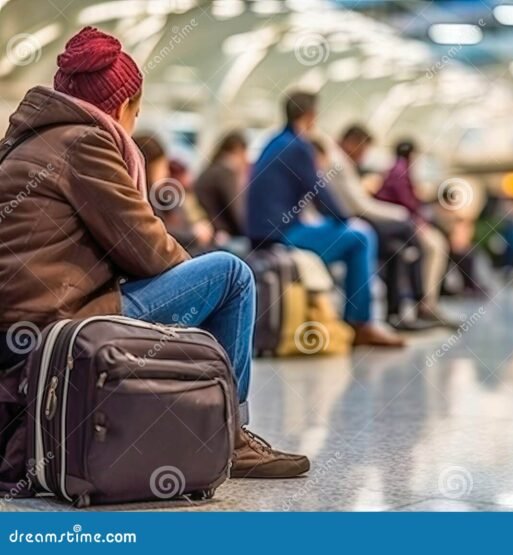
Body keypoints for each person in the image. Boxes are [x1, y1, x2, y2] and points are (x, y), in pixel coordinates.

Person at [0, 27, 308, 478]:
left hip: (20, 327)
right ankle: (229, 436)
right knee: (229, 275)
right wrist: (197, 290)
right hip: (62, 320)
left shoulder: (25, 144)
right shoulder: (87, 143)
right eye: (136, 113)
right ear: (123, 107)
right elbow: (148, 251)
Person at [245, 91, 403, 347]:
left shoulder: (272, 142)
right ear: (310, 115)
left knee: (348, 234)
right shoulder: (299, 146)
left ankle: (355, 319)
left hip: (262, 233)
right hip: (282, 235)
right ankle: (360, 323)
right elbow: (320, 191)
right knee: (361, 236)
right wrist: (343, 218)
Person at [324, 125, 444, 330]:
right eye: (363, 149)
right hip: (349, 221)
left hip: (355, 219)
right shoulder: (339, 163)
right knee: (406, 232)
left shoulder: (346, 163)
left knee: (396, 249)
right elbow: (360, 205)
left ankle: (397, 313)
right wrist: (401, 215)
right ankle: (419, 302)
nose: (364, 155)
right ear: (352, 142)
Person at [375, 140, 451, 320]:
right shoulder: (399, 171)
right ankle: (426, 303)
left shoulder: (400, 170)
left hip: (404, 223)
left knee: (437, 243)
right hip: (400, 225)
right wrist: (420, 223)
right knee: (434, 246)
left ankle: (427, 302)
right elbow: (407, 205)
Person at [134, 134, 214, 256]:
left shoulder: (161, 192)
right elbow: (161, 233)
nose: (166, 172)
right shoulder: (144, 197)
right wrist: (194, 234)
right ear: (148, 167)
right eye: (161, 166)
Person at [194, 131, 249, 238]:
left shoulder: (212, 169)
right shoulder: (224, 173)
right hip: (220, 234)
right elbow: (237, 213)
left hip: (211, 231)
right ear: (239, 151)